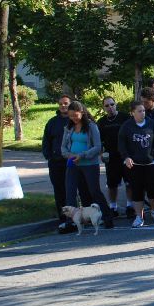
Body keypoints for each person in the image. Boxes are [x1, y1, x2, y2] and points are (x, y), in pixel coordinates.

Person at [60, 101, 116, 229]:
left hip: (89, 164)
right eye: (71, 116)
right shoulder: (68, 127)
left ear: (82, 112)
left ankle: (107, 216)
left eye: (75, 115)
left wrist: (83, 155)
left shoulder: (91, 126)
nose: (73, 118)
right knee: (70, 192)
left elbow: (97, 147)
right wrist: (70, 155)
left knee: (94, 191)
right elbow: (63, 147)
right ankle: (70, 221)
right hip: (73, 164)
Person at [118, 100, 154, 228]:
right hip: (135, 164)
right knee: (137, 190)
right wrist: (126, 157)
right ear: (132, 112)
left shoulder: (151, 124)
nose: (142, 113)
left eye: (143, 110)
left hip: (151, 163)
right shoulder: (126, 126)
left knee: (153, 189)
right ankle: (139, 216)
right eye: (139, 111)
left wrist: (153, 154)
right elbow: (122, 144)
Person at [43, 94, 76, 232]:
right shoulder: (52, 122)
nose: (63, 106)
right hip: (56, 163)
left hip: (72, 161)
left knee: (71, 191)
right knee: (59, 192)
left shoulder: (75, 121)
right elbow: (46, 141)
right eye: (61, 103)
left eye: (66, 103)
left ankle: (75, 218)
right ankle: (63, 219)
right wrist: (49, 156)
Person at [97, 96, 131, 218]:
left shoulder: (125, 117)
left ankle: (130, 206)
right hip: (111, 157)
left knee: (129, 182)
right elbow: (99, 141)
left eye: (112, 104)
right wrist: (101, 153)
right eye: (107, 105)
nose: (110, 107)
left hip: (126, 155)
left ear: (115, 104)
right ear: (103, 108)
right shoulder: (101, 122)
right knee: (112, 184)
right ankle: (113, 207)